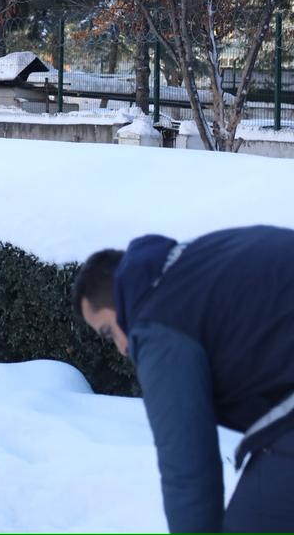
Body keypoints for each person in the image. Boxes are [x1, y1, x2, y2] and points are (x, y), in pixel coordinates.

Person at [73, 227, 294, 533]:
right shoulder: (195, 262)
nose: (123, 348)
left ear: (119, 299)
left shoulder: (157, 322)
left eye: (109, 332)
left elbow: (188, 470)